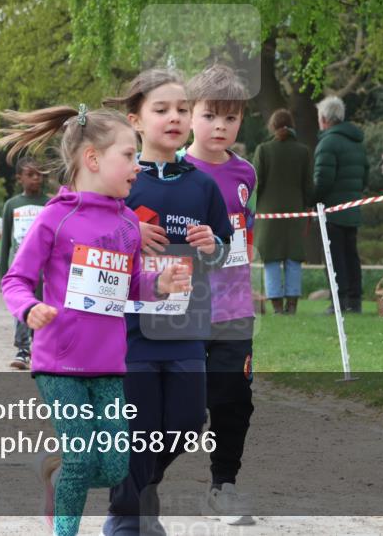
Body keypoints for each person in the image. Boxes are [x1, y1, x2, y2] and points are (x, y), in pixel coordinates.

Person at [0, 103, 189, 536]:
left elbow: (131, 283)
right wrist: (29, 309)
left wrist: (160, 285)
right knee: (84, 458)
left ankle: (56, 470)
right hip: (58, 364)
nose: (137, 167)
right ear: (93, 159)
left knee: (116, 465)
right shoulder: (55, 217)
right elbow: (15, 279)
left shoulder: (127, 222)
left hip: (109, 367)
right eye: (129, 155)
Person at [103, 70, 233, 536]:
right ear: (135, 119)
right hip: (128, 330)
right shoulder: (119, 180)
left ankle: (139, 490)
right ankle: (127, 516)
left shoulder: (202, 186)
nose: (174, 117)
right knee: (138, 429)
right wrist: (127, 232)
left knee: (185, 423)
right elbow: (85, 238)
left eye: (182, 109)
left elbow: (224, 248)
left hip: (185, 326)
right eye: (161, 110)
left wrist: (209, 245)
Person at [183, 64, 256, 525]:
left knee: (234, 399)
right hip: (179, 310)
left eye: (230, 118)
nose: (220, 127)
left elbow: (245, 235)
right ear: (190, 115)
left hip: (233, 307)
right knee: (181, 411)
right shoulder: (169, 170)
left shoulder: (246, 171)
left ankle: (222, 486)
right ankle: (134, 485)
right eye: (210, 116)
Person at [253, 108, 314, 314]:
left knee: (271, 259)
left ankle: (277, 307)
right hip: (295, 213)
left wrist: (249, 207)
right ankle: (292, 306)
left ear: (272, 126)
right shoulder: (303, 151)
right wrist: (309, 208)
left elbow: (256, 184)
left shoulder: (263, 150)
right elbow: (308, 186)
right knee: (293, 258)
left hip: (268, 215)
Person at [314, 95, 369, 314]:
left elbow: (323, 180)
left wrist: (312, 200)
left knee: (334, 257)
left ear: (325, 119)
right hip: (352, 207)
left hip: (332, 210)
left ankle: (340, 300)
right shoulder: (357, 143)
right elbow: (364, 176)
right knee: (351, 255)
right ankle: (354, 300)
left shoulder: (327, 143)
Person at [0, 156, 49, 370]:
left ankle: (40, 349)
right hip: (20, 267)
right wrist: (3, 270)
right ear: (20, 178)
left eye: (39, 174)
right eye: (30, 175)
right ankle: (22, 348)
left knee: (42, 307)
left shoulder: (50, 203)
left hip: (45, 268)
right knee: (23, 305)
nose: (36, 178)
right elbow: (6, 240)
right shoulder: (12, 205)